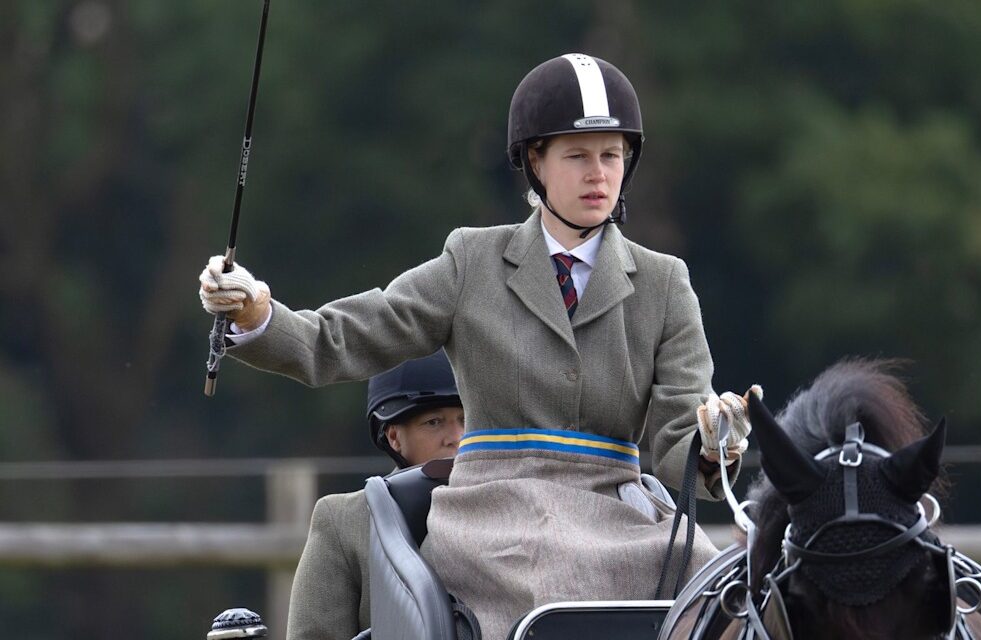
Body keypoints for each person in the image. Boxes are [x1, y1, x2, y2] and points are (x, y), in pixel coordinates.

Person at [198, 53, 757, 639]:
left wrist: (715, 440)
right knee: (550, 571)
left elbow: (676, 443)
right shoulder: (473, 261)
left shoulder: (665, 282)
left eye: (611, 155)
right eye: (578, 156)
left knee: (720, 588)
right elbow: (355, 333)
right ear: (535, 162)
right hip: (499, 510)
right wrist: (261, 314)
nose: (599, 175)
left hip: (622, 511)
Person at [286, 350, 464, 640]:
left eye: (465, 420)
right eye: (434, 422)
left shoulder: (511, 507)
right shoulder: (345, 521)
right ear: (394, 436)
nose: (456, 437)